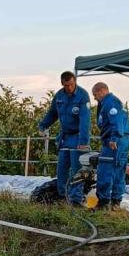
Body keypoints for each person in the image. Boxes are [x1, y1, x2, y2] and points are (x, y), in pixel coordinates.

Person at [37, 71, 91, 205]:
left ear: (75, 82)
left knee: (77, 170)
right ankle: (62, 197)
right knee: (62, 169)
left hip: (78, 137)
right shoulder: (59, 96)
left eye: (72, 85)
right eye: (67, 85)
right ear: (62, 83)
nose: (69, 88)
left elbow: (85, 120)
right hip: (65, 137)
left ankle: (76, 200)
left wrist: (83, 142)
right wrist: (43, 126)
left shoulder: (82, 96)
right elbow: (52, 113)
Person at [92, 82, 129, 209]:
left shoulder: (110, 103)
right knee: (118, 171)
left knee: (105, 171)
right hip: (122, 140)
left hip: (113, 141)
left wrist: (114, 138)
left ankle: (103, 203)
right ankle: (116, 203)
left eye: (95, 95)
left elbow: (116, 121)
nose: (94, 98)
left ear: (101, 91)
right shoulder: (110, 103)